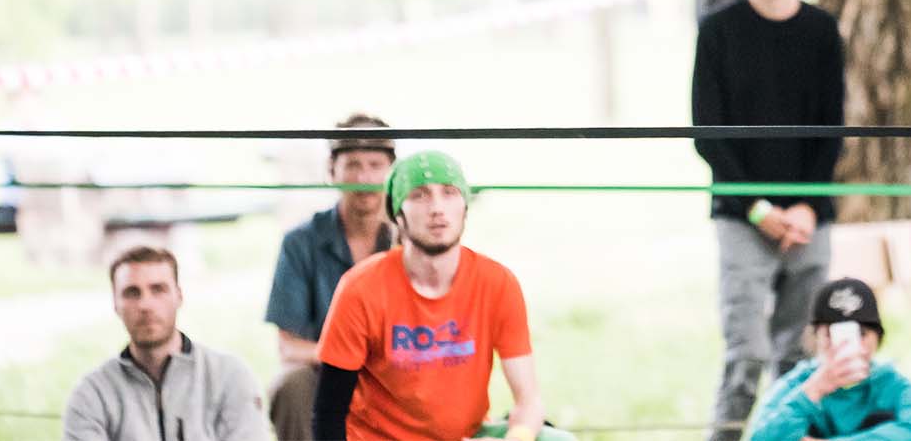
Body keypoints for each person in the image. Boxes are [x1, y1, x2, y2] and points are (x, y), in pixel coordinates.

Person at [691, 0, 845, 441]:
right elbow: (707, 133)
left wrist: (806, 205)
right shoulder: (718, 31)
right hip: (741, 215)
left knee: (800, 355)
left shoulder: (822, 30)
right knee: (747, 354)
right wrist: (757, 207)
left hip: (810, 217)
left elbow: (832, 129)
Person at [312, 149, 562, 441]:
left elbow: (529, 401)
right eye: (419, 195)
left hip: (467, 436)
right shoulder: (360, 288)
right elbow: (328, 413)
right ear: (398, 214)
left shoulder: (497, 282)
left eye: (449, 193)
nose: (437, 208)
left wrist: (517, 437)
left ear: (465, 207)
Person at [264, 114, 398, 440]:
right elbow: (289, 346)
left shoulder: (408, 238)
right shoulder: (300, 243)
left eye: (374, 164)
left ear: (392, 171)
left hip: (400, 370)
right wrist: (346, 359)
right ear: (331, 170)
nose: (364, 177)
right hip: (324, 372)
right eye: (352, 164)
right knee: (290, 385)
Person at [63, 245, 268, 440]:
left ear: (179, 296)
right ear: (115, 304)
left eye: (158, 289)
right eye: (132, 293)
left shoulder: (229, 377)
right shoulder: (91, 394)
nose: (145, 305)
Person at [746, 278, 911, 441]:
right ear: (815, 337)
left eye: (861, 334)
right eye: (832, 334)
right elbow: (759, 437)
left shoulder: (896, 387)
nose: (846, 346)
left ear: (878, 337)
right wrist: (813, 390)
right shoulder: (794, 385)